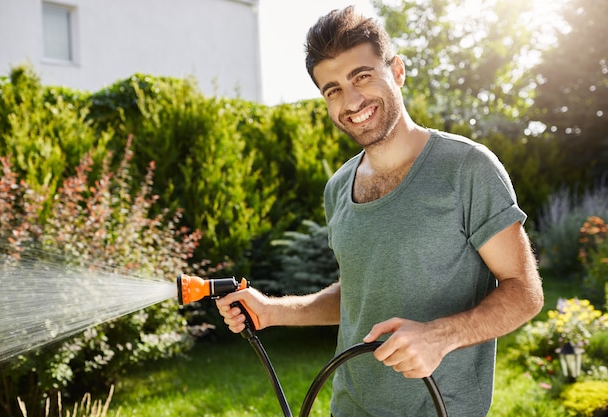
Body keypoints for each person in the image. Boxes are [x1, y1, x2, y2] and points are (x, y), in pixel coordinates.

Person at [216, 6, 544, 416]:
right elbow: (360, 294)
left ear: (398, 71)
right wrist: (272, 311)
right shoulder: (338, 188)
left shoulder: (466, 169)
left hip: (441, 408)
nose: (351, 101)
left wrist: (438, 337)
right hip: (351, 406)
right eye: (332, 89)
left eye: (362, 76)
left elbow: (524, 291)